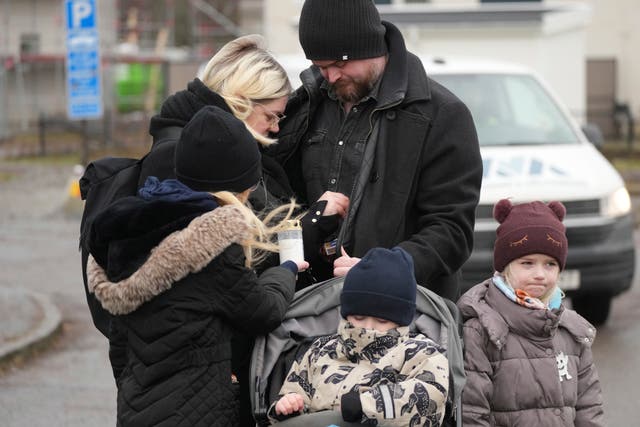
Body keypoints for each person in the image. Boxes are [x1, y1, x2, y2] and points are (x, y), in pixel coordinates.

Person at [85, 106, 308, 426]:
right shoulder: (211, 247)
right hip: (197, 414)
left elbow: (118, 347)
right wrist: (285, 270)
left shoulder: (130, 233)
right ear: (237, 185)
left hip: (136, 410)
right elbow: (262, 311)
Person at [267, 0, 483, 300]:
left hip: (404, 312)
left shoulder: (442, 115)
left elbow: (451, 231)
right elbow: (277, 198)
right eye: (320, 66)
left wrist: (383, 269)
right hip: (312, 309)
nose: (330, 77)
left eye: (340, 64)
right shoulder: (306, 105)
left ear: (371, 47)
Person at [457, 199, 604, 427]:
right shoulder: (482, 330)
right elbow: (472, 412)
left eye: (550, 264)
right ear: (505, 267)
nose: (540, 274)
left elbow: (589, 407)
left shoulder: (573, 331)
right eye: (527, 263)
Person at [268, 246, 449, 426]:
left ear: (401, 320)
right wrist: (288, 405)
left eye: (382, 321)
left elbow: (430, 395)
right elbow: (296, 391)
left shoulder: (420, 352)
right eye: (359, 318)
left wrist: (364, 405)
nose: (368, 328)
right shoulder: (320, 349)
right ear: (346, 314)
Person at [142, 33, 294, 211]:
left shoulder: (224, 146)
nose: (275, 127)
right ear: (242, 101)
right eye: (270, 117)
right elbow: (220, 232)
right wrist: (309, 226)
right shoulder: (179, 156)